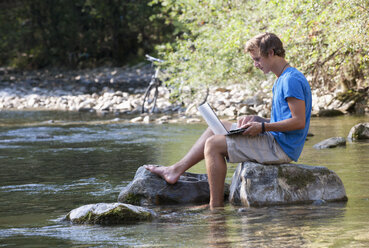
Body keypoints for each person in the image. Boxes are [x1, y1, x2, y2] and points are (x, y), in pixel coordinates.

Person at [145, 32, 312, 210]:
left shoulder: (290, 80)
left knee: (213, 145)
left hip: (281, 148)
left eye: (257, 59)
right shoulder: (282, 79)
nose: (255, 64)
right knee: (217, 126)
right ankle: (175, 170)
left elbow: (298, 121)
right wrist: (259, 120)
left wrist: (262, 127)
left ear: (271, 52)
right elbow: (286, 119)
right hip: (276, 139)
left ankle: (215, 208)